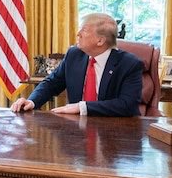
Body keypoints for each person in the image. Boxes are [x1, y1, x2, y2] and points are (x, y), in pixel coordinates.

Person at [11, 13, 143, 117]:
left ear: (100, 40)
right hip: (76, 130)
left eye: (84, 30)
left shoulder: (129, 64)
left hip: (115, 133)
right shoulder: (74, 55)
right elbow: (52, 83)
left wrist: (82, 107)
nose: (78, 34)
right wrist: (32, 101)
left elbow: (127, 105)